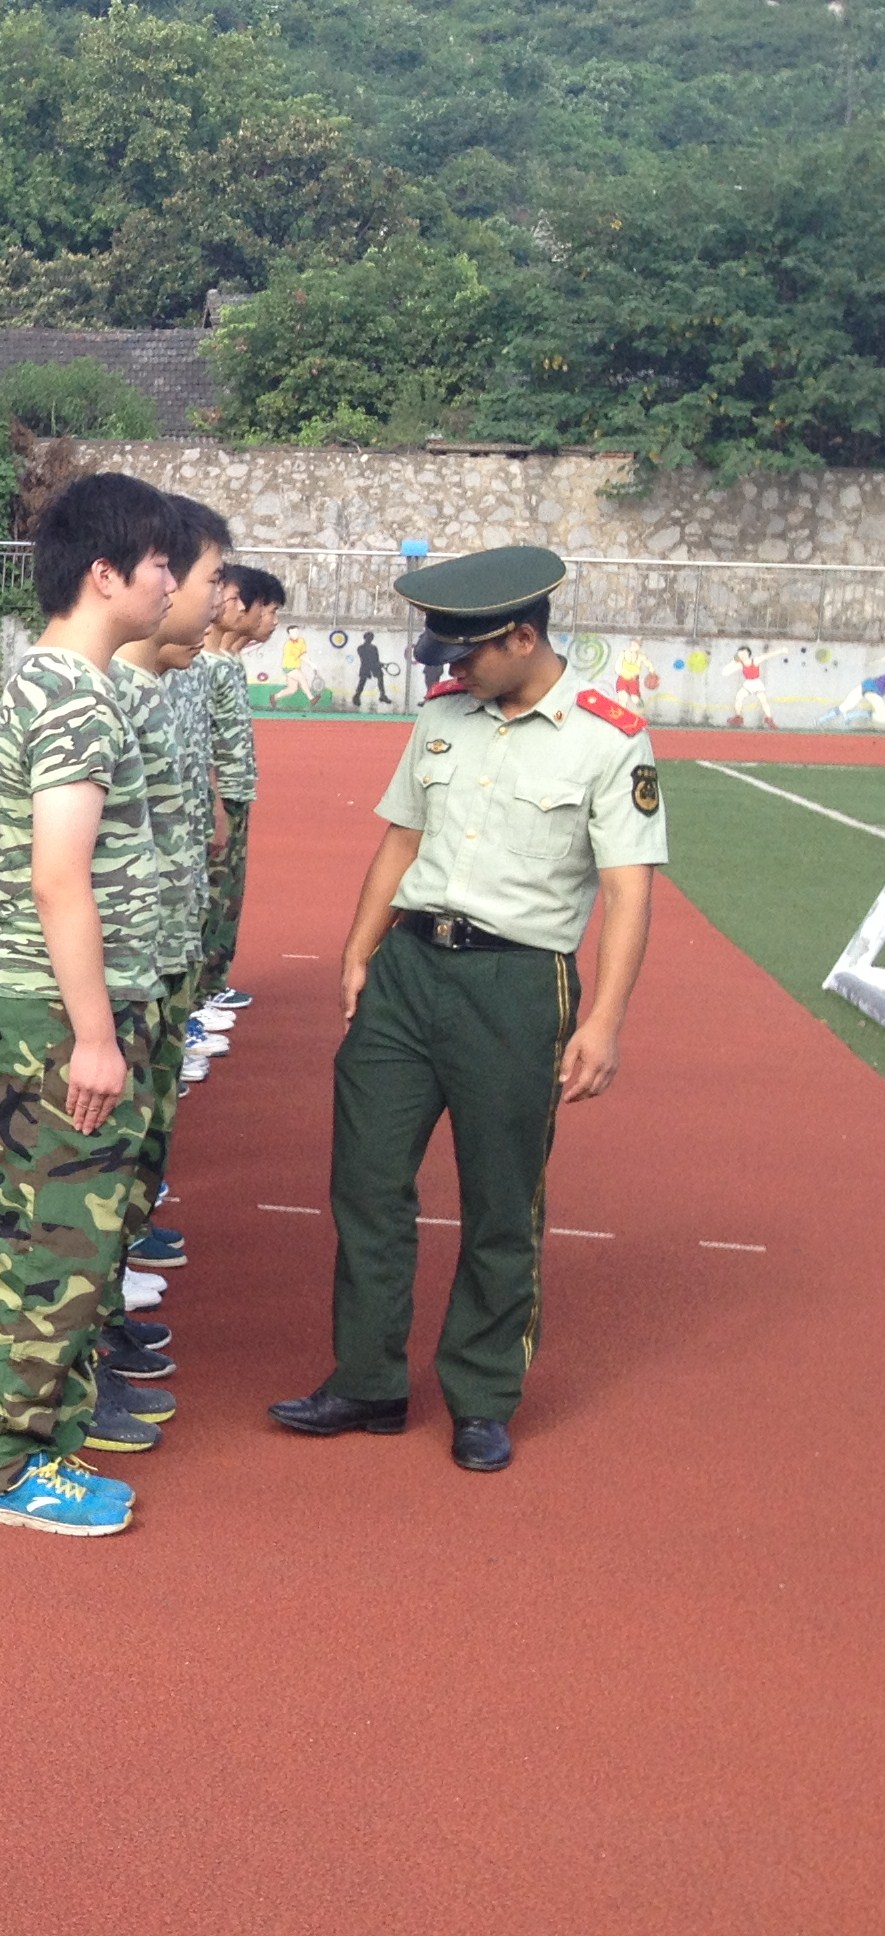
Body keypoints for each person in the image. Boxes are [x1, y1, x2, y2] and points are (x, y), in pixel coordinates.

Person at [270, 546, 666, 1474]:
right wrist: (359, 949)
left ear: (522, 638)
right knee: (366, 1182)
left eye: (466, 653)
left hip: (516, 985)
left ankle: (482, 1396)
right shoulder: (443, 716)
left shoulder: (608, 736)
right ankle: (367, 1380)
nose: (449, 669)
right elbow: (401, 840)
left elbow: (628, 889)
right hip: (408, 971)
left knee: (499, 1199)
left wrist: (603, 1022)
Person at [0, 471, 179, 1538]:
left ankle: (37, 1447)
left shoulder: (62, 682)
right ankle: (7, 1469)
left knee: (47, 1242)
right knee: (54, 1246)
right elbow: (58, 875)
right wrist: (94, 1034)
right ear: (105, 574)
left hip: (42, 1006)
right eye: (159, 562)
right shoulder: (76, 695)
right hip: (52, 1014)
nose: (170, 582)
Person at [82, 496, 234, 1457]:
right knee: (76, 1203)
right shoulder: (94, 693)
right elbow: (65, 876)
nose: (207, 596)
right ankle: (62, 1385)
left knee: (122, 1171)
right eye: (193, 575)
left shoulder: (146, 689)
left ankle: (97, 1332)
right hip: (112, 980)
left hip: (154, 964)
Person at [199, 566, 278, 1020]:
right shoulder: (205, 665)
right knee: (211, 896)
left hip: (234, 790)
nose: (270, 621)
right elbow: (205, 741)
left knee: (227, 894)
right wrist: (215, 801)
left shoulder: (225, 661)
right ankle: (201, 991)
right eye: (265, 609)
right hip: (219, 796)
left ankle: (212, 982)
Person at [351, 629, 390, 710]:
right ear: (365, 638)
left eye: (371, 638)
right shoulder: (361, 648)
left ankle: (382, 695)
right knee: (362, 682)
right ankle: (357, 696)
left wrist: (379, 664)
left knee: (380, 678)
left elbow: (376, 659)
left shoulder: (373, 648)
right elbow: (366, 659)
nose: (370, 639)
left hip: (372, 666)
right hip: (366, 667)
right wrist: (376, 664)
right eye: (369, 637)